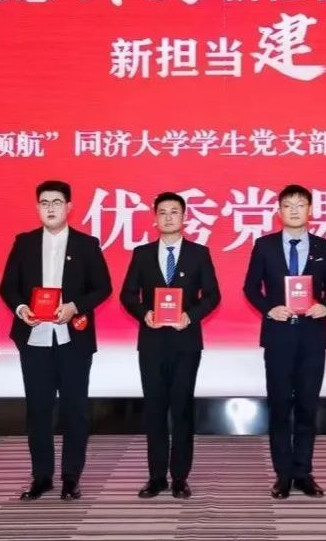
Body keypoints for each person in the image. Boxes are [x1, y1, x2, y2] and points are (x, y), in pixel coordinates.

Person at [0, 180, 112, 501]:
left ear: (69, 207)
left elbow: (103, 287)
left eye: (57, 202)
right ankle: (42, 477)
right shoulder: (24, 243)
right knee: (38, 410)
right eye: (45, 203)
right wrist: (21, 309)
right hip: (35, 340)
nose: (51, 208)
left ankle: (71, 478)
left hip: (73, 339)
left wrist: (75, 306)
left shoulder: (86, 244)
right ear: (38, 208)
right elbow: (8, 287)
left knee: (75, 410)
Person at [120, 191, 221, 499]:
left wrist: (190, 316)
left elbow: (213, 295)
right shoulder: (142, 254)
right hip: (151, 343)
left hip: (186, 343)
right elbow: (128, 294)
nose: (168, 217)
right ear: (154, 219)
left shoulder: (199, 254)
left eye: (174, 212)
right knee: (154, 410)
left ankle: (179, 477)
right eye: (162, 212)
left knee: (181, 409)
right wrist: (144, 313)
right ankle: (156, 477)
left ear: (184, 217)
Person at [243, 184, 326, 499]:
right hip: (279, 336)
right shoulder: (265, 245)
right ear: (279, 211)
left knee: (307, 406)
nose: (294, 210)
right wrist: (268, 309)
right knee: (280, 405)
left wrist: (325, 305)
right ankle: (283, 474)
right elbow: (250, 287)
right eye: (288, 205)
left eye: (300, 204)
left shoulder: (324, 246)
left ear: (310, 210)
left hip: (312, 336)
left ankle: (303, 472)